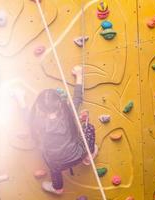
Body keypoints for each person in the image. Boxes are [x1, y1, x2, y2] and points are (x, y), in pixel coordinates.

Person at [13, 65, 97, 195]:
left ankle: (58, 188)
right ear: (59, 103)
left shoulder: (38, 121)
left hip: (57, 164)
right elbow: (77, 98)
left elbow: (27, 117)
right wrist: (79, 75)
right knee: (89, 127)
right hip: (78, 155)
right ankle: (89, 156)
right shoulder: (68, 111)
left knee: (51, 161)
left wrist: (20, 98)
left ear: (40, 108)